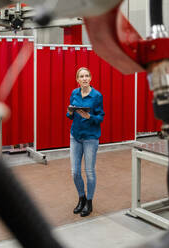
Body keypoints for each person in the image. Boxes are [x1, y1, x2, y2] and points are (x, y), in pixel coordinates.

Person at [66, 67, 105, 217]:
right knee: (75, 172)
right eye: (81, 76)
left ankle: (89, 202)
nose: (84, 78)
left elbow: (100, 117)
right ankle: (81, 198)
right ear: (77, 80)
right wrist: (69, 112)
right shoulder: (74, 93)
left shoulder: (97, 96)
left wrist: (91, 117)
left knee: (89, 172)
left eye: (87, 76)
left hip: (90, 138)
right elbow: (70, 115)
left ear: (90, 78)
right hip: (75, 137)